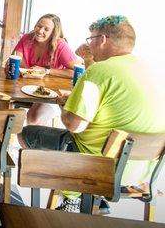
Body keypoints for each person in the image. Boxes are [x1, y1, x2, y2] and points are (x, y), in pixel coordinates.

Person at [19, 16, 165, 212]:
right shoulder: (150, 70)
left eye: (91, 39)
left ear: (102, 39)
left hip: (98, 166)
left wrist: (65, 105)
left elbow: (74, 125)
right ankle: (95, 198)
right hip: (142, 173)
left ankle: (73, 196)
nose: (90, 44)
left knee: (24, 132)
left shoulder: (99, 71)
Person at [9, 14, 78, 125]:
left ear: (53, 32)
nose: (40, 31)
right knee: (3, 101)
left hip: (51, 93)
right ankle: (4, 138)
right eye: (39, 26)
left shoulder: (60, 45)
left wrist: (46, 71)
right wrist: (12, 65)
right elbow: (15, 59)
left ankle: (30, 139)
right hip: (25, 88)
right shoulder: (27, 38)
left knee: (33, 118)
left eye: (46, 29)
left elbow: (76, 72)